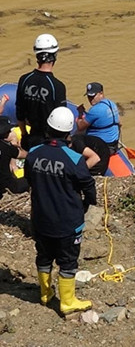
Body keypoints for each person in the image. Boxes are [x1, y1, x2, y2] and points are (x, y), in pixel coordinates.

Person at [25, 107, 96, 315]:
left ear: (48, 128)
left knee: (44, 256)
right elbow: (88, 186)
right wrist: (88, 204)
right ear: (69, 133)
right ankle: (67, 301)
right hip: (67, 221)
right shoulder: (74, 159)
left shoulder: (33, 154)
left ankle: (45, 293)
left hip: (40, 218)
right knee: (67, 261)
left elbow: (30, 180)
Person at [16, 34, 67, 150]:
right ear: (54, 56)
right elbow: (61, 119)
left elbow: (20, 112)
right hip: (49, 141)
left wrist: (24, 135)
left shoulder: (24, 80)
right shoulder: (57, 86)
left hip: (31, 136)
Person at [76, 82, 121, 154]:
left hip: (100, 147)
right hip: (113, 144)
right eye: (89, 96)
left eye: (93, 96)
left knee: (76, 136)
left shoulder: (95, 110)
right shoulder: (112, 103)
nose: (91, 99)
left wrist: (80, 113)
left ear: (101, 93)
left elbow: (80, 127)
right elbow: (120, 123)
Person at [0, 116, 28, 196]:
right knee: (31, 179)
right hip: (6, 186)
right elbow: (25, 155)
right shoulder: (7, 147)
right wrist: (18, 145)